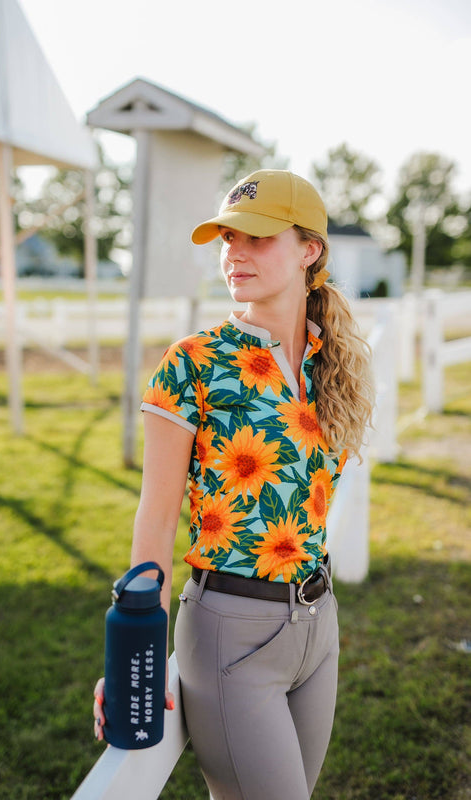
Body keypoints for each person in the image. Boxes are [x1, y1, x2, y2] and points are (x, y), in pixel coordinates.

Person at [93, 169, 375, 799]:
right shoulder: (194, 362)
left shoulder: (331, 363)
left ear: (311, 250)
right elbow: (156, 518)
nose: (234, 252)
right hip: (230, 631)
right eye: (227, 238)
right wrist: (132, 656)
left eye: (257, 237)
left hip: (317, 627)